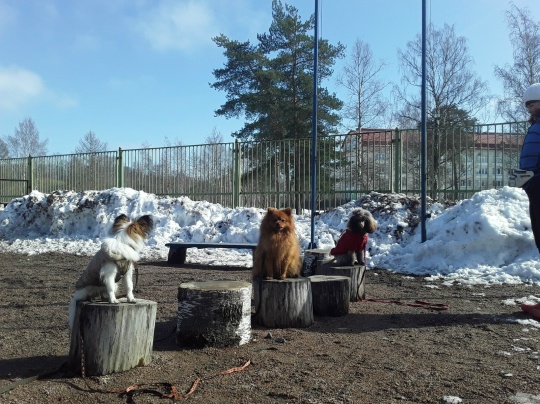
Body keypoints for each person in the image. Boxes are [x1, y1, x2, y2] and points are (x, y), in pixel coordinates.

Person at [519, 83, 540, 320]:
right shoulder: (536, 125)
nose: (529, 109)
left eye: (532, 104)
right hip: (535, 188)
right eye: (527, 105)